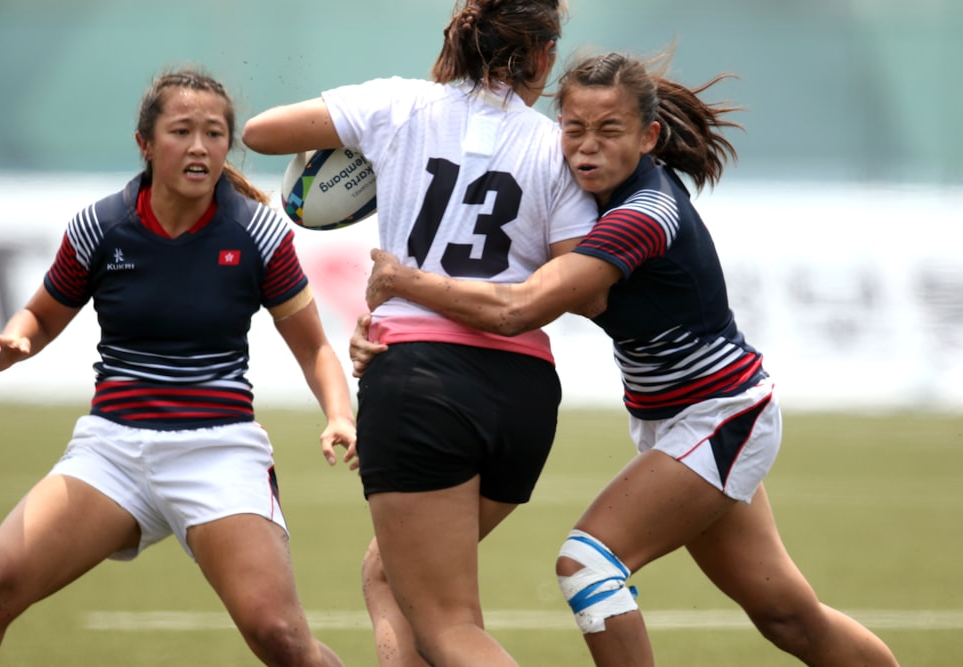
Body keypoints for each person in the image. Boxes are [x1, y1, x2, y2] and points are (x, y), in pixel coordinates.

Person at [360, 51, 901, 666]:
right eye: (574, 129)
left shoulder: (645, 213)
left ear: (648, 137)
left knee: (587, 565)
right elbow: (491, 268)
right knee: (789, 618)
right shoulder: (572, 199)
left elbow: (518, 307)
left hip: (722, 414)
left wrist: (404, 283)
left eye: (609, 131)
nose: (586, 148)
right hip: (669, 422)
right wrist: (379, 328)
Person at [242, 2, 598, 665]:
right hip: (523, 394)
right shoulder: (556, 146)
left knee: (448, 624)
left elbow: (261, 133)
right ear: (544, 57)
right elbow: (578, 287)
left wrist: (373, 157)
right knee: (391, 578)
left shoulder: (396, 107)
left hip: (419, 385)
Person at [0, 68, 357, 667]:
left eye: (214, 133)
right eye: (182, 131)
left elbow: (316, 350)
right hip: (112, 451)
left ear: (228, 146)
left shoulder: (257, 234)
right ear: (146, 144)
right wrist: (13, 344)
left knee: (280, 637)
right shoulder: (100, 227)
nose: (199, 146)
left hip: (217, 452)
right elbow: (39, 319)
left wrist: (339, 415)